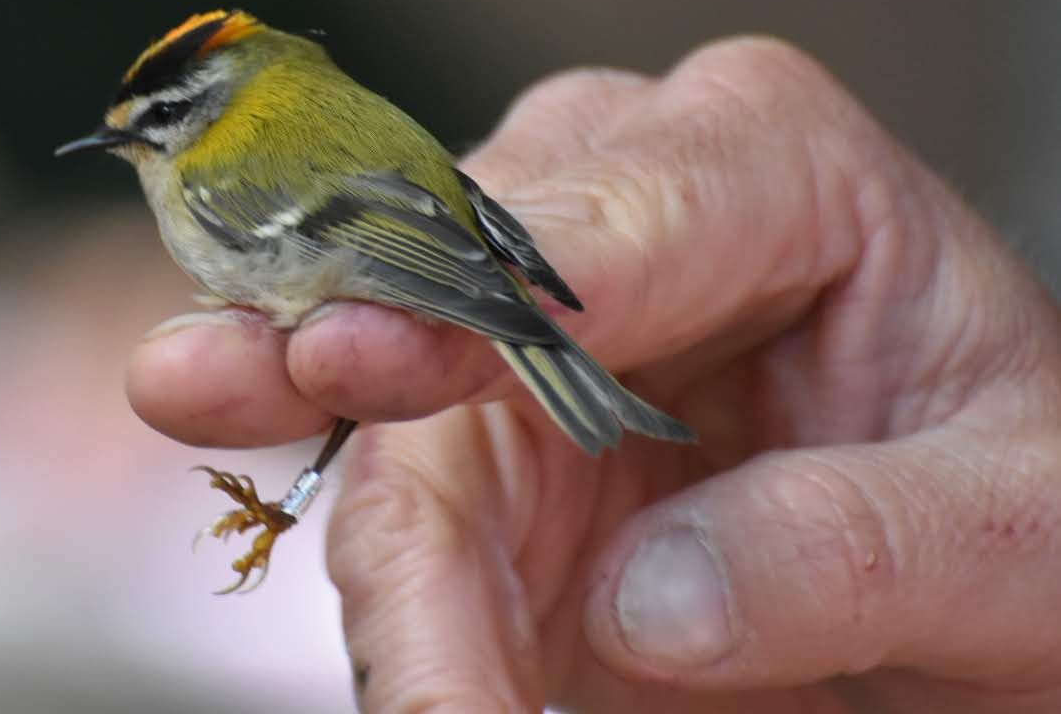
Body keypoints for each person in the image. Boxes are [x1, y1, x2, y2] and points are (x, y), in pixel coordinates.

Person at [127, 37, 1061, 713]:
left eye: (154, 124)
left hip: (396, 265)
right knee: (358, 386)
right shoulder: (306, 116)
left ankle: (291, 497)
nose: (134, 145)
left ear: (202, 115)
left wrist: (489, 294)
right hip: (457, 243)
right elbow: (443, 191)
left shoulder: (223, 167)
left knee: (355, 376)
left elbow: (372, 227)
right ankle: (293, 495)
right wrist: (503, 269)